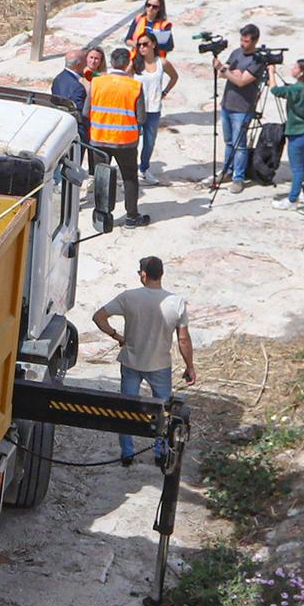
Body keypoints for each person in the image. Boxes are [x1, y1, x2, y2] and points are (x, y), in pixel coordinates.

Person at [92, 256, 194, 465]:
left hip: (131, 362)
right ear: (161, 274)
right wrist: (190, 366)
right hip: (160, 365)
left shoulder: (129, 297)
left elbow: (98, 317)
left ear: (144, 274)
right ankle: (160, 452)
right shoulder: (176, 303)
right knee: (164, 411)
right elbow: (183, 338)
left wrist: (116, 336)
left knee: (126, 409)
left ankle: (127, 454)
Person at [89, 46, 150, 226]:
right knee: (130, 178)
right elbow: (141, 117)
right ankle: (132, 216)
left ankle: (102, 217)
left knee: (102, 178)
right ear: (127, 64)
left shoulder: (97, 82)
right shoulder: (135, 86)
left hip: (99, 139)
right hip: (126, 142)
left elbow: (87, 110)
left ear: (112, 62)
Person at [214, 23, 266, 188]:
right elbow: (223, 75)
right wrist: (229, 72)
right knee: (229, 141)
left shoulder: (258, 59)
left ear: (255, 41)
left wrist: (227, 71)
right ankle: (227, 171)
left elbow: (242, 81)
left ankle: (239, 177)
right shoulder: (236, 53)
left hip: (242, 108)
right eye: (241, 40)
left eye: (246, 41)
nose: (242, 44)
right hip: (227, 104)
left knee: (240, 145)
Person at [270, 58, 304, 209]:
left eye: (295, 67)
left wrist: (271, 72)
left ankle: (292, 200)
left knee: (297, 168)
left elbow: (275, 90)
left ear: (301, 72)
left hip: (297, 132)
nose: (292, 69)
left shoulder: (295, 89)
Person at [131, 32, 179, 182]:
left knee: (149, 142)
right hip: (136, 109)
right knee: (132, 141)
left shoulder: (162, 62)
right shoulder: (135, 64)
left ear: (153, 44)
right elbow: (123, 77)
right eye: (139, 45)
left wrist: (165, 91)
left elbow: (174, 77)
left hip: (153, 108)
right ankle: (130, 171)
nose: (142, 47)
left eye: (145, 44)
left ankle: (144, 168)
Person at [51, 47, 90, 118]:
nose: (87, 65)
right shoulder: (77, 87)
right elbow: (80, 114)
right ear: (78, 65)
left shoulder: (58, 78)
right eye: (85, 62)